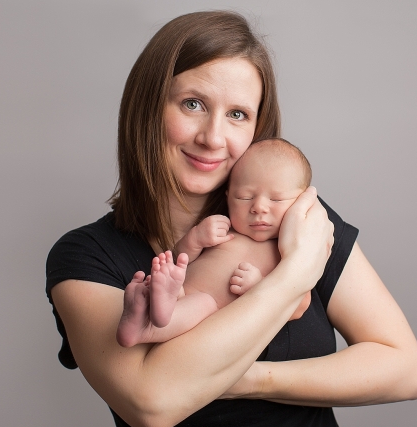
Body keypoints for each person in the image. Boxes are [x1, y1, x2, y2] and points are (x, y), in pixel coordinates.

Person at [46, 11, 417, 427]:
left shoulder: (291, 216)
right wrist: (294, 275)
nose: (213, 138)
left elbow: (404, 369)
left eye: (238, 115)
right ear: (147, 106)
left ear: (256, 129)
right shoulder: (87, 256)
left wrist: (250, 381)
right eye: (192, 104)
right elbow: (152, 403)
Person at [116, 138, 313, 348]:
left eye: (276, 200)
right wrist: (195, 239)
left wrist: (258, 286)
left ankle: (145, 325)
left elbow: (299, 305)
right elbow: (180, 257)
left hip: (212, 319)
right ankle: (148, 308)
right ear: (228, 197)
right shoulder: (223, 230)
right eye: (244, 197)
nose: (259, 207)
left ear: (301, 202)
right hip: (182, 291)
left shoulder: (291, 250)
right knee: (182, 289)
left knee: (202, 305)